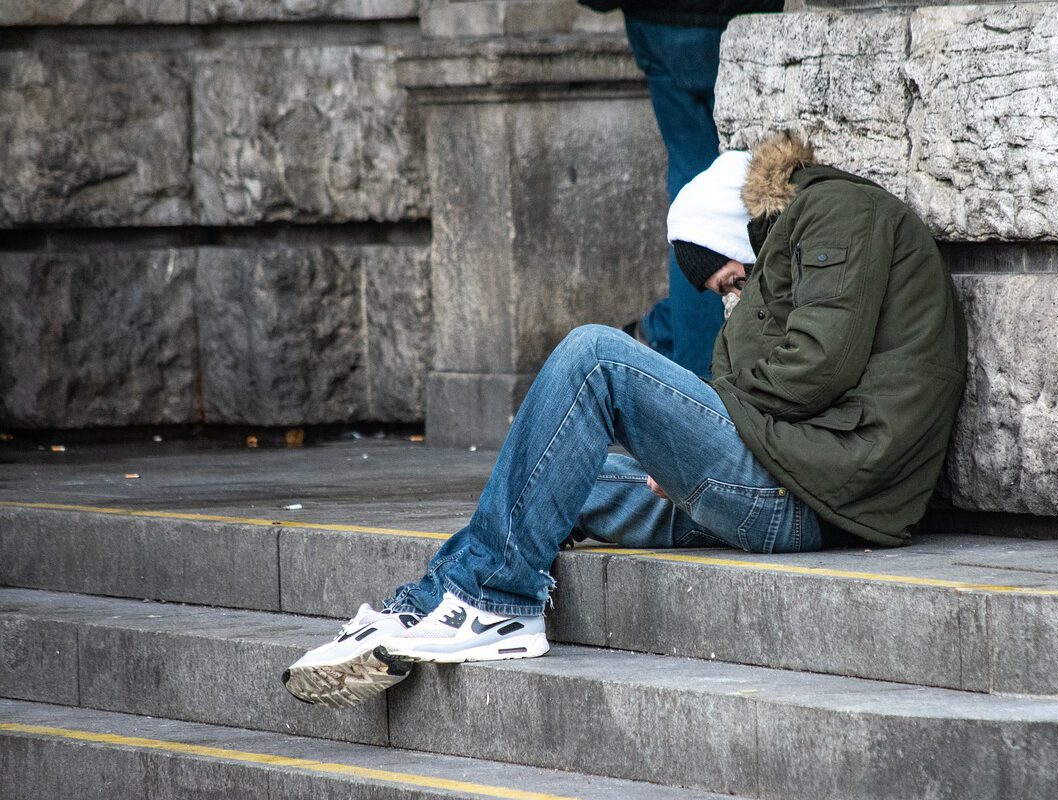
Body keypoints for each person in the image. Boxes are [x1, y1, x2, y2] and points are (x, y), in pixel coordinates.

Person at [282, 131, 968, 708]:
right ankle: (422, 606)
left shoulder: (840, 212)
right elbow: (787, 375)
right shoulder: (788, 253)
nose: (733, 294)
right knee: (554, 472)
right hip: (798, 477)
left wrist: (697, 440)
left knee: (595, 354)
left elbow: (817, 365)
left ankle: (496, 601)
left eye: (730, 281)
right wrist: (686, 449)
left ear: (732, 234)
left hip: (816, 494)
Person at [580, 0, 783, 378]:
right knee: (718, 215)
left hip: (659, 21)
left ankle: (674, 348)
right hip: (737, 16)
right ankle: (696, 371)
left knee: (696, 207)